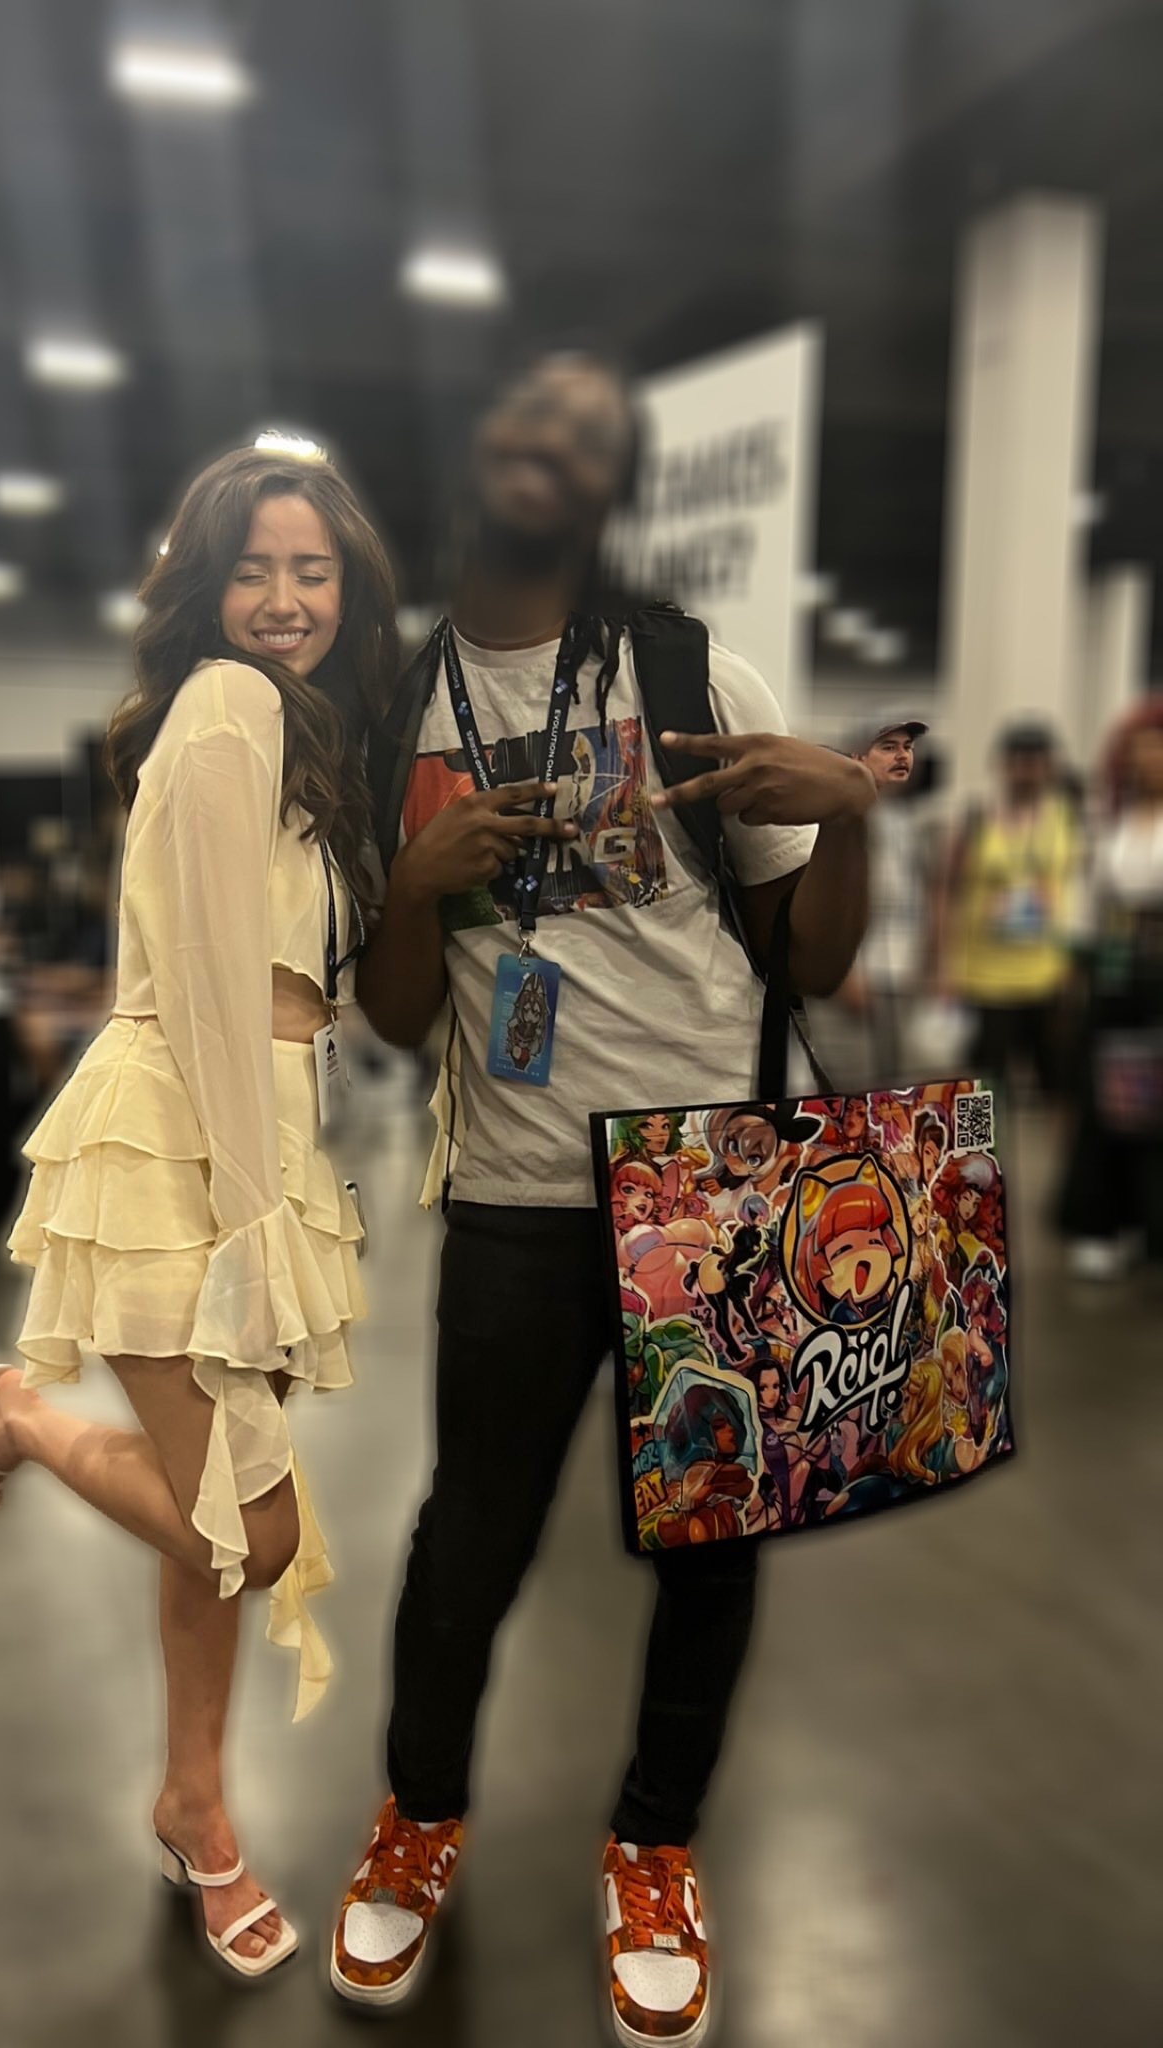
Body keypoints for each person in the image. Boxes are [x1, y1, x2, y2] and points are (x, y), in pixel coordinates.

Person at [329, 352, 873, 2047]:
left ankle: (654, 1844)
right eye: (532, 415)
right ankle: (418, 1817)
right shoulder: (399, 707)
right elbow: (398, 1018)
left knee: (710, 1546)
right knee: (467, 1540)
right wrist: (412, 891)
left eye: (591, 432)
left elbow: (811, 962)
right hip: (513, 1195)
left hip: (711, 1186)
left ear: (612, 482)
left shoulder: (691, 670)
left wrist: (853, 818)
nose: (554, 443)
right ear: (479, 444)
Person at [0, 447, 397, 1978]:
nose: (285, 598)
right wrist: (256, 1225)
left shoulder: (296, 732)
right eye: (253, 569)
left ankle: (194, 1804)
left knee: (211, 1527)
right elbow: (205, 987)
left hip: (252, 1129)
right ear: (209, 585)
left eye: (312, 570)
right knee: (249, 1527)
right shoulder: (232, 704)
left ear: (349, 583)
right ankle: (15, 1415)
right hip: (185, 1146)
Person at [1059, 700, 1163, 1277]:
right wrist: (1077, 976)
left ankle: (1151, 1229)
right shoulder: (1110, 827)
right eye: (1140, 752)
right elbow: (1088, 909)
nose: (1150, 762)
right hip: (1118, 979)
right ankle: (1103, 1223)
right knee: (1111, 1103)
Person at [934, 721, 1083, 1098]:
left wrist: (1073, 962)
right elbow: (945, 892)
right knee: (984, 1089)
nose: (1027, 769)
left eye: (1036, 760)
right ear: (1002, 763)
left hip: (1047, 974)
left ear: (1050, 766)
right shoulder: (975, 818)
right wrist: (943, 966)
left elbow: (1079, 892)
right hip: (984, 978)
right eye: (1019, 759)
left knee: (1056, 1087)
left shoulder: (1066, 817)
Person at [827, 714, 931, 1083]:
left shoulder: (905, 823)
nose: (902, 757)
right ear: (857, 757)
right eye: (888, 748)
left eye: (907, 748)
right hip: (854, 978)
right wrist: (844, 975)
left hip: (901, 976)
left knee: (899, 1093)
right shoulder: (838, 817)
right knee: (854, 1089)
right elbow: (826, 904)